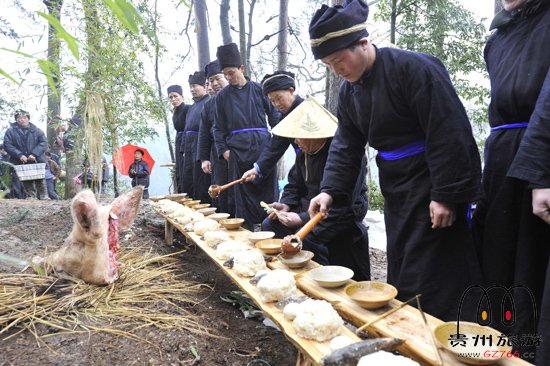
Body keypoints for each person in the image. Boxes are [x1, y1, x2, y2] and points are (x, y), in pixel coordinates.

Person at [307, 0, 482, 321]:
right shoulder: (349, 93)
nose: (337, 70)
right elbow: (346, 145)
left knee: (438, 268)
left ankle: (451, 333)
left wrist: (445, 194)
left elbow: (449, 130)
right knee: (403, 264)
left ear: (362, 43)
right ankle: (410, 326)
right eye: (328, 65)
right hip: (397, 188)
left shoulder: (415, 69)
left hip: (432, 181)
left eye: (338, 59)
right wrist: (329, 190)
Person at [473, 1, 550, 361]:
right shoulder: (498, 38)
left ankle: (525, 350)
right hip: (501, 155)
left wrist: (541, 169)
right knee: (497, 255)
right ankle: (496, 343)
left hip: (540, 154)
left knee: (530, 261)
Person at [262, 96, 371, 280]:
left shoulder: (343, 154)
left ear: (316, 135)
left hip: (340, 212)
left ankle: (318, 280)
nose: (296, 142)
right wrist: (286, 205)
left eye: (299, 136)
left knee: (309, 239)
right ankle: (289, 275)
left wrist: (302, 218)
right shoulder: (304, 153)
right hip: (311, 209)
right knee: (270, 224)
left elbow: (343, 202)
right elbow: (293, 185)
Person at [213, 43, 281, 227]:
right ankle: (247, 231)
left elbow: (274, 117)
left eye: (231, 72)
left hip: (263, 149)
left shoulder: (260, 90)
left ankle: (271, 227)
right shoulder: (222, 97)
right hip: (237, 151)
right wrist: (224, 150)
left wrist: (280, 141)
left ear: (241, 68)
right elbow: (217, 128)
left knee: (268, 191)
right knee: (242, 193)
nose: (229, 77)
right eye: (225, 74)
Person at [241, 71, 301, 184]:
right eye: (272, 101)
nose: (276, 104)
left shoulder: (309, 109)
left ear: (291, 90)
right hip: (303, 166)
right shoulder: (284, 118)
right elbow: (276, 145)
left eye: (279, 98)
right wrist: (257, 169)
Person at [197, 60, 230, 212]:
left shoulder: (240, 96)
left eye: (218, 78)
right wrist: (204, 158)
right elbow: (204, 133)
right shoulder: (209, 105)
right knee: (221, 192)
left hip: (242, 152)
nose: (215, 83)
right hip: (218, 155)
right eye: (211, 81)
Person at [3, 109, 49, 199]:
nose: (22, 120)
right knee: (26, 178)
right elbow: (7, 145)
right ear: (16, 119)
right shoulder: (11, 131)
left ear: (28, 119)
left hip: (36, 159)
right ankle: (31, 196)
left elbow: (44, 143)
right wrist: (19, 154)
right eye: (19, 118)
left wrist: (34, 154)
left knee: (40, 178)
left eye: (24, 117)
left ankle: (44, 196)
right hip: (20, 159)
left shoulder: (36, 130)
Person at [181, 71, 211, 203]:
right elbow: (186, 129)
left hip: (201, 145)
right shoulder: (191, 108)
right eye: (191, 87)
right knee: (188, 179)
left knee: (201, 180)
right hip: (188, 148)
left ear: (204, 86)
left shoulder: (209, 102)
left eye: (195, 86)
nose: (192, 89)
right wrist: (183, 150)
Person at [167, 85, 189, 194]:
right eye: (170, 97)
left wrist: (185, 147)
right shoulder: (174, 112)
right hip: (178, 140)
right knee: (179, 170)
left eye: (176, 96)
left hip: (186, 141)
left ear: (182, 97)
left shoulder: (188, 109)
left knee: (186, 170)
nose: (173, 99)